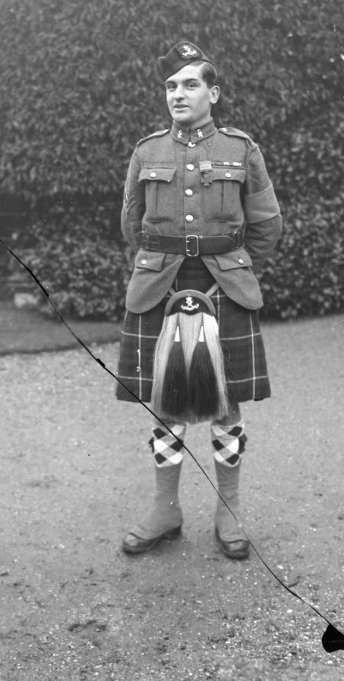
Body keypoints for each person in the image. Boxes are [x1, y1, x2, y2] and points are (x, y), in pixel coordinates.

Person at [116, 40, 282, 559]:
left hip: (224, 287)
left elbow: (267, 224)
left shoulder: (240, 149)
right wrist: (165, 266)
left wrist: (231, 265)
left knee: (226, 404)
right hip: (159, 287)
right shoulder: (147, 151)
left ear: (214, 91)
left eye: (190, 84)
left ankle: (227, 511)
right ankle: (166, 508)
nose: (178, 94)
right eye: (171, 85)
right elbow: (130, 224)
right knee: (166, 402)